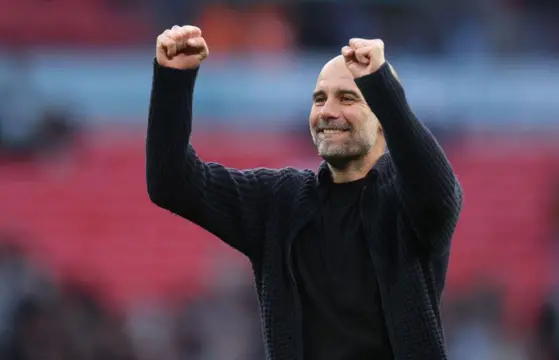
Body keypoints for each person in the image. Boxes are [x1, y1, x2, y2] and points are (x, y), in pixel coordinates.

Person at [147, 25, 463, 360]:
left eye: (348, 98)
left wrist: (381, 83)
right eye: (319, 99)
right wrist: (173, 81)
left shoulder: (405, 206)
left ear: (383, 118)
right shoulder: (279, 202)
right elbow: (172, 183)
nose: (327, 111)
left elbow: (438, 194)